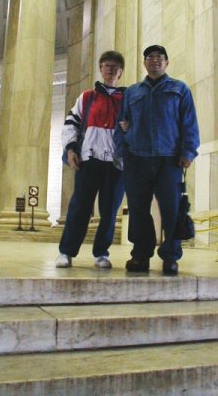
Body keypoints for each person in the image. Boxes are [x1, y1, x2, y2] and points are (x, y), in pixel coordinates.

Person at [114, 45, 200, 276]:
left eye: (159, 57)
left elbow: (189, 123)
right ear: (144, 63)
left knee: (171, 210)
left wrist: (188, 151)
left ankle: (171, 257)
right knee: (139, 210)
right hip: (137, 159)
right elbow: (120, 124)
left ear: (167, 62)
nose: (155, 61)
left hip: (169, 159)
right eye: (150, 58)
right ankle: (140, 255)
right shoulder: (132, 93)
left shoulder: (180, 89)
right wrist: (122, 151)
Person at [56, 50, 126, 269]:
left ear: (121, 72)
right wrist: (70, 149)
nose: (110, 69)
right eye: (106, 65)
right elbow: (71, 124)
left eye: (115, 66)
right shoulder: (87, 97)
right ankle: (66, 252)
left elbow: (138, 129)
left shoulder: (129, 99)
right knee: (79, 208)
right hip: (89, 161)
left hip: (116, 165)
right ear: (100, 68)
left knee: (109, 211)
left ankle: (101, 254)